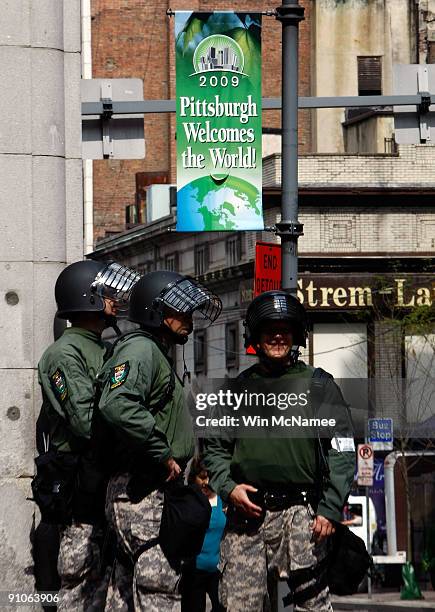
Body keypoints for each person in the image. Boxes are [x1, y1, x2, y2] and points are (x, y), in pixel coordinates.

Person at [204, 290, 356, 611]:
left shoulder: (319, 386)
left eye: (284, 330)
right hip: (247, 514)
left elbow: (342, 450)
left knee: (312, 604)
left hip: (303, 516)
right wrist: (228, 489)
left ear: (296, 336)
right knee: (239, 605)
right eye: (269, 330)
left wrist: (330, 508)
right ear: (255, 337)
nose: (277, 336)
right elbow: (215, 449)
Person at [96, 271, 222, 611]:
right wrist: (162, 452)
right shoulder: (141, 350)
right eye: (180, 311)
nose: (189, 320)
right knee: (160, 587)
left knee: (124, 592)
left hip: (148, 488)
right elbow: (117, 403)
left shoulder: (153, 350)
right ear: (156, 312)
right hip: (145, 487)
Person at [36, 259, 140, 611]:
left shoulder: (109, 349)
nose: (114, 300)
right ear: (87, 297)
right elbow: (84, 420)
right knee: (79, 582)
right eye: (107, 293)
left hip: (110, 481)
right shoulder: (63, 354)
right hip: (81, 482)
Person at [181, 457, 226, 612]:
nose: (206, 482)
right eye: (202, 477)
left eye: (210, 477)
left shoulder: (224, 501)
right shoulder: (188, 501)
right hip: (193, 572)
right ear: (194, 478)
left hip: (218, 572)